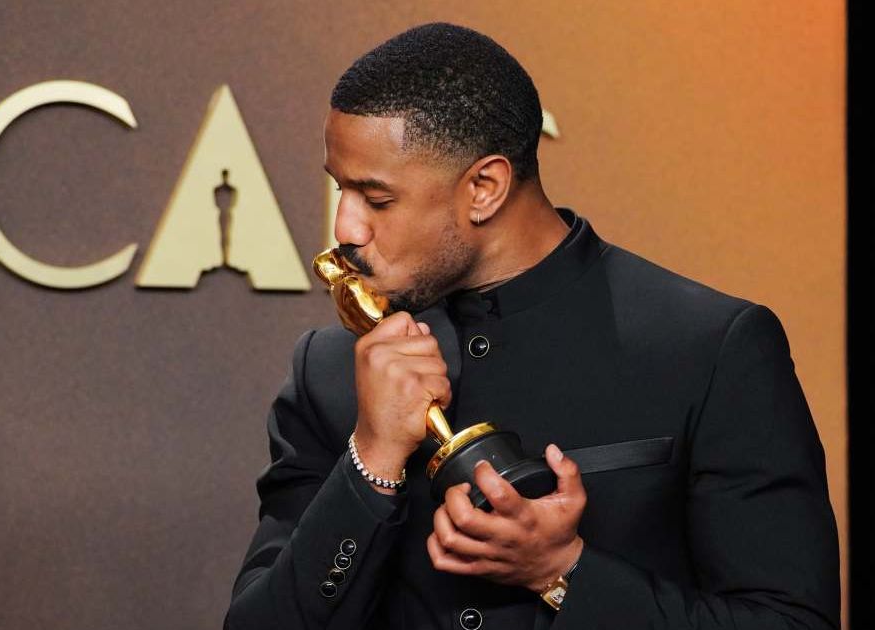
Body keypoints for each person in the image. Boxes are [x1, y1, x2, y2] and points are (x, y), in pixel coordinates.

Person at [224, 22, 839, 630]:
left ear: (485, 187)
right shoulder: (331, 371)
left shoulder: (709, 349)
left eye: (376, 199)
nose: (346, 228)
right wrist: (372, 459)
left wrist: (565, 572)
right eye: (340, 190)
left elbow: (790, 621)